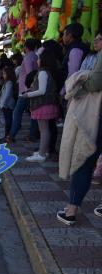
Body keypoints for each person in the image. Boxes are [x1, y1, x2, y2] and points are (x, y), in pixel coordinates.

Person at [57, 29, 102, 224]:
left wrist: (82, 78)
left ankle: (71, 210)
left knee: (83, 159)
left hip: (97, 118)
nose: (96, 41)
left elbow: (94, 83)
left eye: (100, 39)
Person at [22, 48, 61, 162]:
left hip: (42, 104)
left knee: (44, 130)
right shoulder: (47, 72)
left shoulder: (43, 72)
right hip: (46, 104)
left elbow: (42, 91)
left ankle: (42, 154)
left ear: (44, 60)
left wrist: (28, 95)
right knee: (45, 129)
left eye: (39, 58)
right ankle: (43, 151)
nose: (37, 60)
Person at [8, 38, 40, 143]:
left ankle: (12, 135)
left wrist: (27, 90)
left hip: (26, 91)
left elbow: (30, 74)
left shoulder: (27, 58)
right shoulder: (36, 57)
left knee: (17, 112)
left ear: (25, 47)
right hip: (32, 89)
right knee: (33, 113)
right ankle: (32, 134)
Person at [0, 66, 18, 143]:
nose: (3, 75)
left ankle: (7, 136)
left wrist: (2, 104)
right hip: (6, 105)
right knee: (8, 120)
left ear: (8, 74)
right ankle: (8, 136)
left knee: (8, 121)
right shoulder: (7, 82)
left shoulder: (9, 83)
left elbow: (7, 95)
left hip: (7, 105)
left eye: (4, 73)